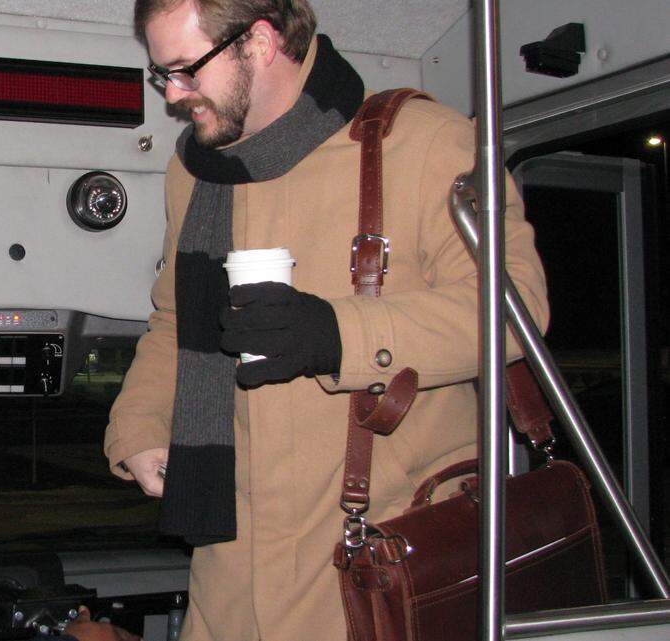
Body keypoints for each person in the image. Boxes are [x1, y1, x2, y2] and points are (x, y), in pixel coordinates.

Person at [102, 1, 549, 640]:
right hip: (226, 575)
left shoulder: (423, 143)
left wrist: (338, 336)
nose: (174, 95)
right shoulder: (194, 172)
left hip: (377, 571)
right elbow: (176, 320)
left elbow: (517, 308)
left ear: (259, 41)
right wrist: (141, 427)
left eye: (185, 70)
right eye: (162, 74)